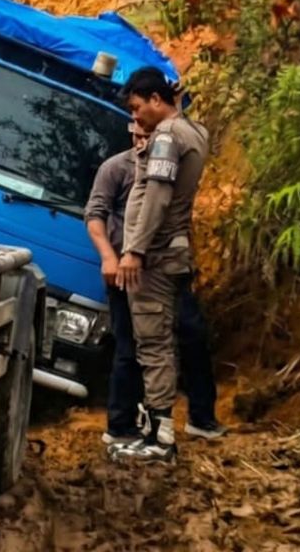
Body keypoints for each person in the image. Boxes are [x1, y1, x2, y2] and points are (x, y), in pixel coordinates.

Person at [83, 121, 225, 449]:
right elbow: (95, 215)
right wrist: (110, 257)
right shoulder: (116, 168)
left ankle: (200, 417)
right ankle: (121, 424)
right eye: (135, 134)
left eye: (146, 135)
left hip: (163, 267)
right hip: (126, 270)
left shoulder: (169, 163)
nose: (141, 141)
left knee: (191, 336)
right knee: (130, 346)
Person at [112, 66, 211, 462]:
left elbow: (157, 196)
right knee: (161, 341)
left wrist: (134, 249)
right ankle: (155, 429)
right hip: (171, 250)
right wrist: (141, 157)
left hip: (156, 255)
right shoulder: (195, 132)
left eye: (138, 108)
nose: (136, 118)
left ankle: (160, 436)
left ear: (157, 100)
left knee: (153, 342)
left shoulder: (168, 138)